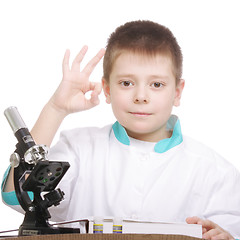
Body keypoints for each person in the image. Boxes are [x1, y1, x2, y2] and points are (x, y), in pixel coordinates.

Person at [2, 20, 240, 239]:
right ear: (106, 88)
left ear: (177, 92)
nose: (141, 96)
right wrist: (55, 109)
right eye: (126, 83)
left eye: (156, 84)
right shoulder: (79, 149)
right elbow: (17, 196)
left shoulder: (215, 172)